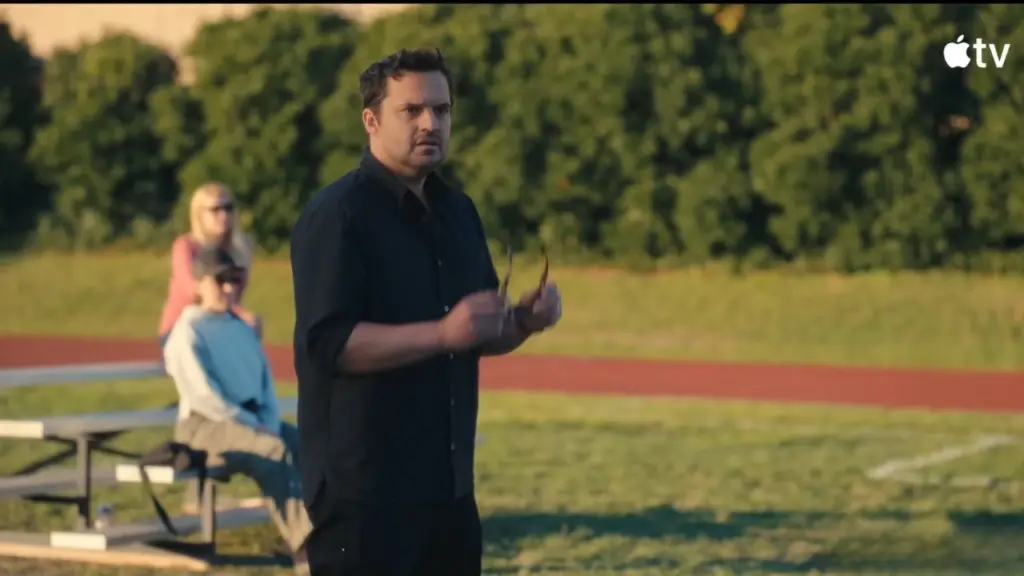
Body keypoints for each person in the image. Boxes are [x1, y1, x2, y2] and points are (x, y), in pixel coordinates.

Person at [289, 47, 563, 575]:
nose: (430, 123)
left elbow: (476, 334)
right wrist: (442, 333)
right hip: (364, 497)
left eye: (441, 110)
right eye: (411, 110)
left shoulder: (458, 211)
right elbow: (329, 344)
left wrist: (524, 321)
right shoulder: (338, 215)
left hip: (449, 492)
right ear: (371, 120)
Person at [163, 246, 312, 575]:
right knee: (272, 448)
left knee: (307, 444)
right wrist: (254, 425)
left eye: (234, 279)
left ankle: (323, 534)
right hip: (203, 428)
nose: (230, 287)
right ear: (199, 284)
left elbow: (264, 383)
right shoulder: (187, 331)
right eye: (220, 280)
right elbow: (204, 397)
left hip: (251, 420)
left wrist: (268, 421)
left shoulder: (240, 327)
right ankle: (306, 549)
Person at [157, 182, 260, 347]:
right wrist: (239, 314)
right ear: (199, 214)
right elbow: (192, 290)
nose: (223, 215)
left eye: (228, 208)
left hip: (218, 325)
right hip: (181, 327)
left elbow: (235, 296)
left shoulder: (238, 249)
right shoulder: (185, 247)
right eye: (215, 209)